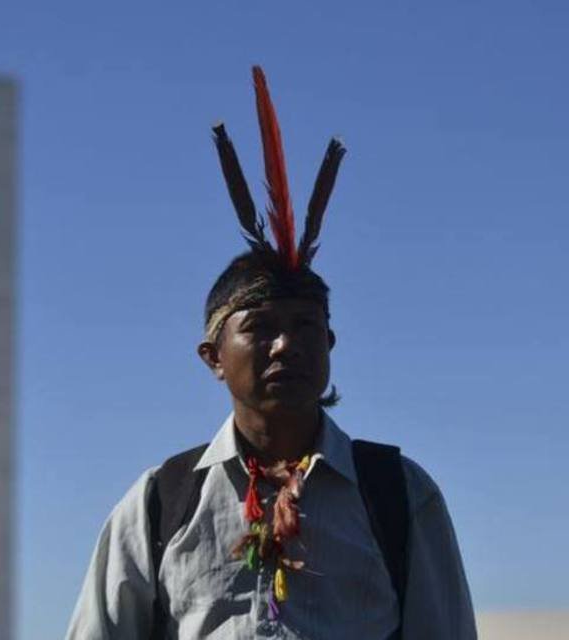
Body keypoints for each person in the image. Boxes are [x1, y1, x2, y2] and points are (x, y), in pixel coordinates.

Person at [66, 66, 477, 640]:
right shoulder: (160, 503)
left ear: (330, 345)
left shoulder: (399, 495)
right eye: (260, 327)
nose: (286, 344)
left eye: (306, 327)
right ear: (213, 356)